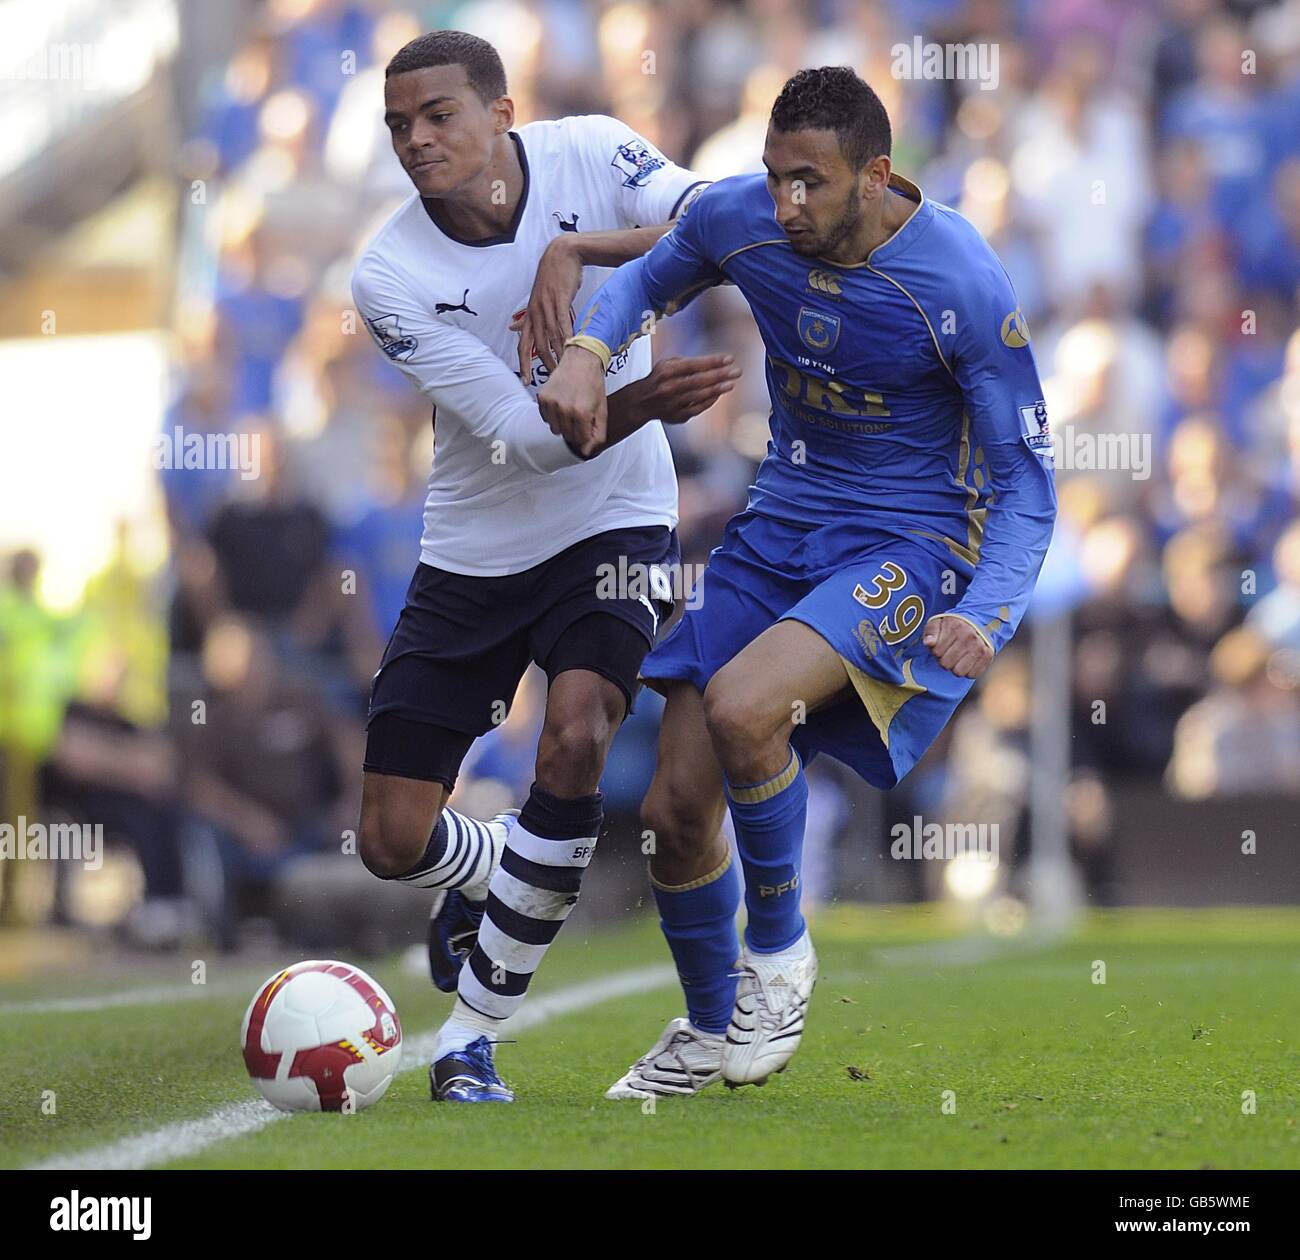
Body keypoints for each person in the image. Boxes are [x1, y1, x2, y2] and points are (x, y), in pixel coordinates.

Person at [540, 66, 1057, 1097]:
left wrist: (985, 613)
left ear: (876, 175)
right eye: (776, 177)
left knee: (742, 708)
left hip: (907, 544)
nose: (787, 203)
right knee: (671, 812)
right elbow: (656, 272)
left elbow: (1026, 486)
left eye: (810, 182)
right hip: (779, 523)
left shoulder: (959, 282)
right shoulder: (747, 216)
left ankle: (776, 952)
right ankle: (702, 1031)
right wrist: (591, 351)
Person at [349, 30, 738, 1103]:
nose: (416, 141)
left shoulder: (597, 155)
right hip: (474, 547)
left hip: (614, 520)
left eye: (438, 116)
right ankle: (492, 874)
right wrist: (644, 402)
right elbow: (524, 436)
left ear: (502, 114)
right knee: (388, 839)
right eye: (398, 126)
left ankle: (468, 1039)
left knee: (573, 741)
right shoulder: (388, 275)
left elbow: (718, 221)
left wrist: (580, 252)